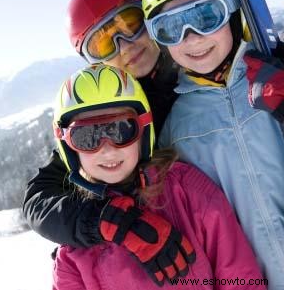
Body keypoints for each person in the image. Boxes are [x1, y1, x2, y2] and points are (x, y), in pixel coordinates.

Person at [22, 0, 182, 282]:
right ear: (92, 61)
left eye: (130, 23)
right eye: (105, 43)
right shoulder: (105, 114)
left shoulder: (196, 63)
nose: (126, 45)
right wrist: (97, 221)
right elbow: (38, 199)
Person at [142, 0, 284, 289]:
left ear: (234, 10)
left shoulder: (273, 77)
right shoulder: (175, 130)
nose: (191, 38)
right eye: (171, 28)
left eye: (206, 16)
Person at [52, 64, 266, 290]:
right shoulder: (73, 253)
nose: (107, 149)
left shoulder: (188, 193)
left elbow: (240, 279)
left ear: (143, 131)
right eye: (87, 137)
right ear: (69, 148)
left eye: (121, 130)